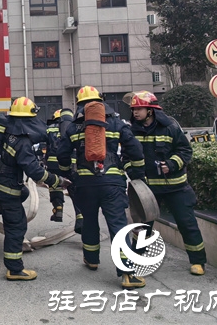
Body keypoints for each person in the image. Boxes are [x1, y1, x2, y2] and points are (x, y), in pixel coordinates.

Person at [57, 86, 146, 289]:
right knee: (118, 225)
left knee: (89, 221)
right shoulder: (116, 123)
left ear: (79, 105)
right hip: (112, 184)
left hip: (85, 184)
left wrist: (68, 174)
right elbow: (135, 149)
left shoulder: (73, 127)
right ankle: (127, 274)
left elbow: (62, 154)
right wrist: (138, 174)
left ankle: (91, 260)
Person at [0, 97, 71, 281]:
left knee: (23, 193)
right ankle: (14, 269)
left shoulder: (5, 131)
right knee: (17, 226)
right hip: (6, 188)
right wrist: (57, 181)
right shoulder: (22, 142)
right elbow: (35, 171)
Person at [129, 91, 206, 275]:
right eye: (133, 109)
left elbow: (185, 151)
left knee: (187, 223)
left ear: (150, 110)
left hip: (175, 187)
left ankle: (198, 262)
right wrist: (133, 172)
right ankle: (137, 261)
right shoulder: (132, 131)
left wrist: (171, 164)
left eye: (139, 108)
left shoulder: (170, 127)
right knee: (142, 226)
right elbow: (125, 156)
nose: (135, 112)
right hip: (146, 189)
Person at [45, 108, 83, 233]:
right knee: (74, 189)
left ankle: (58, 209)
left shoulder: (50, 128)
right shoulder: (73, 127)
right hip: (70, 163)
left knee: (55, 185)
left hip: (53, 164)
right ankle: (80, 218)